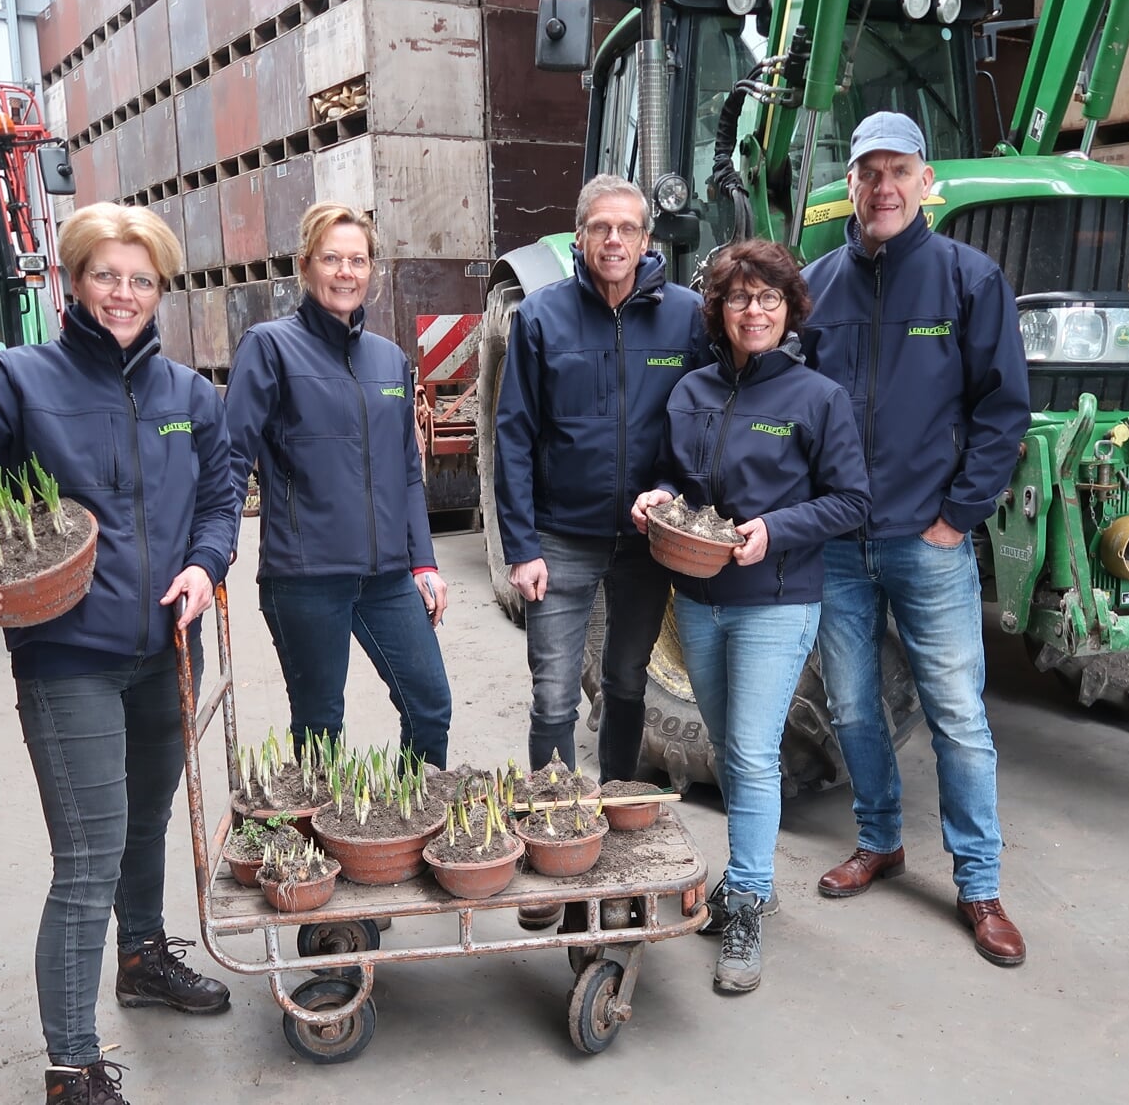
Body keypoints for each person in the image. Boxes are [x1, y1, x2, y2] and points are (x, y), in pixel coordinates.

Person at [0, 203, 240, 1105]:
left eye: (141, 280)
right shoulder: (21, 382)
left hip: (164, 650)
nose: (124, 294)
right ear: (74, 282)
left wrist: (204, 566)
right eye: (107, 276)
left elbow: (222, 495)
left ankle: (145, 957)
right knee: (87, 859)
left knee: (145, 822)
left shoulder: (189, 397)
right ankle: (72, 1066)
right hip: (66, 656)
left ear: (161, 290)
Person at [800, 112, 1033, 967]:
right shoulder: (817, 285)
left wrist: (955, 519)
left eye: (899, 171)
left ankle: (979, 885)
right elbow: (788, 406)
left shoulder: (969, 281)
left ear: (926, 181)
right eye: (869, 173)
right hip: (837, 544)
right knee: (855, 708)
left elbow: (1003, 411)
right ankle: (880, 841)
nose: (884, 187)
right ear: (851, 186)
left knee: (959, 719)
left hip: (925, 542)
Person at [632, 239, 867, 993]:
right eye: (739, 298)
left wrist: (777, 530)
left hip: (774, 601)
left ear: (789, 308)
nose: (754, 311)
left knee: (750, 754)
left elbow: (852, 500)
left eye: (768, 298)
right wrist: (656, 496)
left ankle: (743, 904)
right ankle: (750, 878)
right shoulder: (693, 389)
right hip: (697, 601)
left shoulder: (815, 398)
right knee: (733, 750)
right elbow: (674, 472)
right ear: (720, 311)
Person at [494, 173, 708, 782]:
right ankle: (557, 821)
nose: (614, 240)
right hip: (561, 539)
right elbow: (514, 435)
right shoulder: (541, 317)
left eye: (627, 228)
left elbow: (699, 423)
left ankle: (616, 806)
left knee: (626, 681)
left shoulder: (686, 318)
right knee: (555, 692)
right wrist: (521, 546)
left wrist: (670, 491)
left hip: (648, 540)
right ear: (581, 236)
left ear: (646, 239)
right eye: (600, 227)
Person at [224, 200, 450, 768]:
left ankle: (409, 836)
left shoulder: (390, 361)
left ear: (372, 270)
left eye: (358, 259)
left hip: (388, 577)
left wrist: (423, 561)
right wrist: (213, 549)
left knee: (429, 706)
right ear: (306, 266)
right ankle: (326, 852)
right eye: (332, 258)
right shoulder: (270, 347)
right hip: (306, 578)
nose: (346, 272)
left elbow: (406, 473)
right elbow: (231, 456)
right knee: (321, 726)